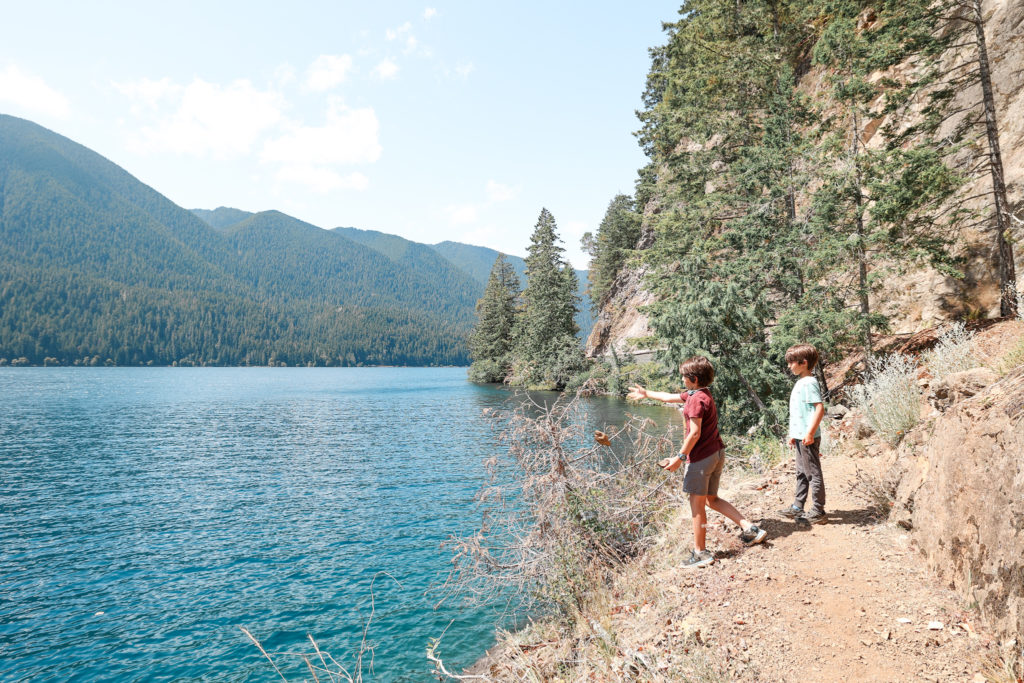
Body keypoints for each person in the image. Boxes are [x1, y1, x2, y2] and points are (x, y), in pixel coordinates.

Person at [628, 356, 767, 569]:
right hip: (716, 453)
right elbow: (668, 397)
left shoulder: (694, 400)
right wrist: (646, 393)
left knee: (697, 505)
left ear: (692, 378)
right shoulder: (702, 394)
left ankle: (701, 553)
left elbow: (694, 433)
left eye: (683, 377)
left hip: (701, 458)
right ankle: (750, 528)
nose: (681, 379)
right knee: (712, 499)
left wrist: (679, 457)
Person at [779, 344, 828, 525]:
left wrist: (809, 433)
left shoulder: (809, 383)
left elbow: (819, 409)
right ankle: (797, 506)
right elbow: (800, 412)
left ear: (804, 362)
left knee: (812, 474)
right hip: (801, 436)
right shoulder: (801, 382)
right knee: (801, 472)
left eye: (792, 362)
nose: (789, 366)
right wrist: (795, 433)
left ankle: (818, 510)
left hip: (808, 437)